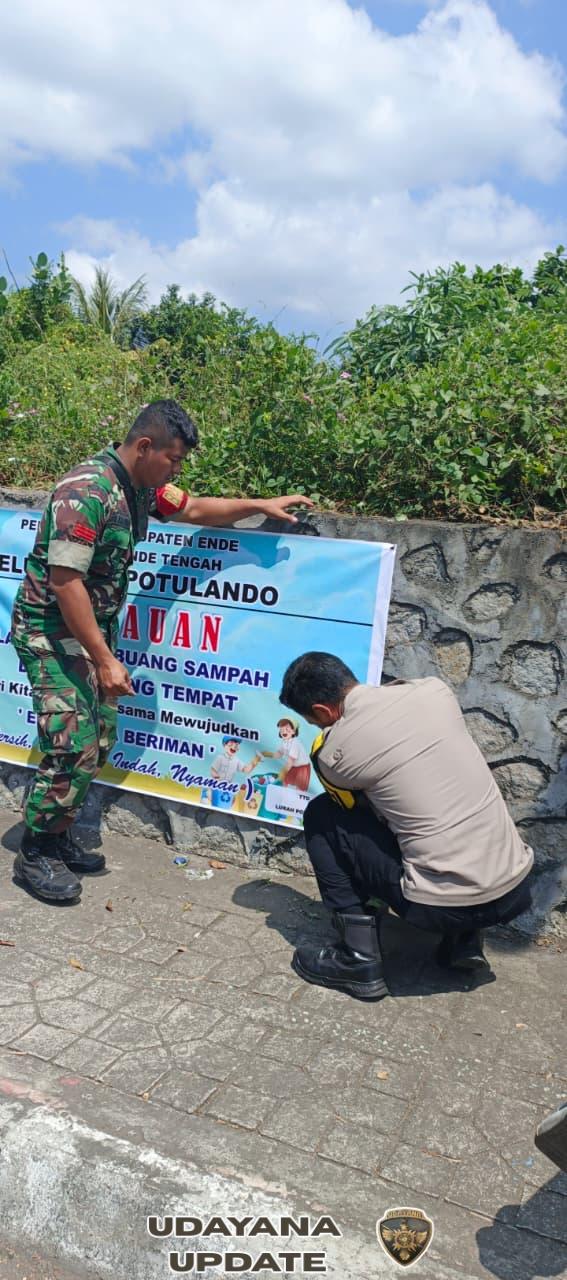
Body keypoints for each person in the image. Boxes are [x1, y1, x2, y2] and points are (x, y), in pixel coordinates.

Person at [11, 399, 312, 904]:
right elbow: (65, 582)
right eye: (173, 459)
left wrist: (260, 505)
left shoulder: (142, 487)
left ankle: (57, 834)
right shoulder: (85, 494)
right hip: (49, 630)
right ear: (144, 446)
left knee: (101, 737)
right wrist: (105, 659)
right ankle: (36, 851)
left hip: (89, 634)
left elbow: (193, 508)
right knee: (74, 740)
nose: (176, 469)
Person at [279, 652, 534, 1001]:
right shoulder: (435, 692)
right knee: (433, 801)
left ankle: (358, 959)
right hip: (515, 887)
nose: (320, 728)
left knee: (324, 816)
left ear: (324, 711)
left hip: (441, 908)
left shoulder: (334, 754)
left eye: (314, 722)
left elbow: (356, 812)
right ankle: (465, 941)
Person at [260, 717, 311, 790]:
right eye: (281, 729)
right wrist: (266, 754)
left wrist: (282, 773)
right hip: (292, 766)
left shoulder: (295, 743)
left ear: (293, 731)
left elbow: (290, 762)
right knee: (286, 784)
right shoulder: (284, 742)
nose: (284, 731)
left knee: (299, 790)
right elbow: (278, 754)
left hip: (302, 768)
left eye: (287, 729)